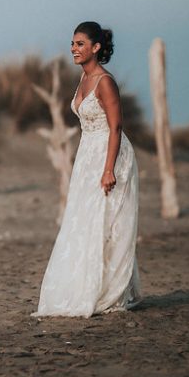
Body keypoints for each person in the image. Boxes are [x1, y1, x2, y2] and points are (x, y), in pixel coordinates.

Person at [32, 21, 142, 317]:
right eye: (72, 43)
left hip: (110, 153)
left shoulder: (105, 82)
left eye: (80, 44)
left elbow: (116, 127)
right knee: (83, 220)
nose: (73, 49)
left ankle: (110, 291)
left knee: (107, 221)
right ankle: (83, 286)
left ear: (96, 47)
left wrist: (109, 170)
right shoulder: (83, 78)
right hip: (87, 155)